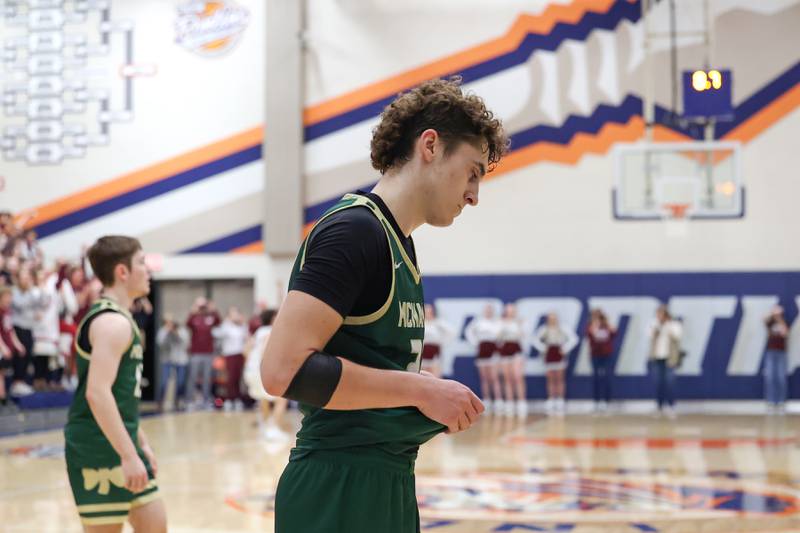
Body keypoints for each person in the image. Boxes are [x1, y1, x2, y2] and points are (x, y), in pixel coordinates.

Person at [261, 77, 507, 533]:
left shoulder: (399, 244)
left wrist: (421, 389)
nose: (474, 194)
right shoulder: (355, 232)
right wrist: (420, 391)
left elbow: (367, 366)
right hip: (336, 490)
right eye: (472, 171)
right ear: (430, 145)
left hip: (386, 481)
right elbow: (282, 371)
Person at [63, 235, 167, 531]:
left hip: (123, 441)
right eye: (141, 263)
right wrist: (129, 454)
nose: (148, 270)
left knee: (156, 525)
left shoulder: (121, 318)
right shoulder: (112, 323)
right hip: (97, 447)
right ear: (122, 272)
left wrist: (141, 443)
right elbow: (97, 394)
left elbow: (122, 397)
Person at [244, 308, 288, 440]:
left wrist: (250, 363)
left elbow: (245, 349)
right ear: (273, 318)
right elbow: (265, 351)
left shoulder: (258, 332)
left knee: (263, 399)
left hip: (250, 370)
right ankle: (273, 429)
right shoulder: (271, 331)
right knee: (282, 399)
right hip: (261, 369)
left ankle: (266, 428)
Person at [531, 312, 578, 415]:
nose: (552, 320)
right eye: (550, 318)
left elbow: (574, 339)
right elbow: (535, 340)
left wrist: (565, 349)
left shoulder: (563, 328)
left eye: (554, 318)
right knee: (550, 378)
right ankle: (551, 399)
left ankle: (560, 400)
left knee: (559, 378)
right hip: (549, 354)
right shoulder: (544, 329)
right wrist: (543, 348)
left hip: (558, 352)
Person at [464, 303, 503, 412]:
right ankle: (487, 400)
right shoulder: (478, 321)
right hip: (482, 350)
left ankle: (498, 400)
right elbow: (469, 332)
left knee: (494, 377)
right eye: (487, 310)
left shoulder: (497, 322)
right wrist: (476, 342)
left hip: (493, 350)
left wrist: (498, 343)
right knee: (484, 378)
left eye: (490, 310)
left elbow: (501, 335)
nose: (488, 312)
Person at [185, 297, 221, 408]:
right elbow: (187, 323)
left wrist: (213, 309)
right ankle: (190, 400)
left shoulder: (210, 317)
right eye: (201, 306)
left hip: (208, 353)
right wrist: (193, 309)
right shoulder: (194, 317)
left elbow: (218, 321)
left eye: (204, 306)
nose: (202, 308)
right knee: (193, 377)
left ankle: (206, 400)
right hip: (195, 353)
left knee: (207, 378)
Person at [648, 304, 682, 419]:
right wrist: (658, 327)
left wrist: (667, 325)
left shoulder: (673, 324)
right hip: (657, 358)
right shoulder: (654, 324)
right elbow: (649, 335)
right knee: (658, 383)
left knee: (670, 383)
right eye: (658, 314)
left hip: (669, 359)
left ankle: (671, 406)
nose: (659, 316)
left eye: (661, 314)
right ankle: (659, 406)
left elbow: (677, 335)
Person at [213, 306, 249, 410]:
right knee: (231, 378)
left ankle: (237, 399)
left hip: (239, 354)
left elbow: (246, 337)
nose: (235, 316)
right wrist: (226, 322)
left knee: (238, 377)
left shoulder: (242, 326)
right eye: (233, 314)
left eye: (236, 313)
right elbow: (217, 333)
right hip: (230, 354)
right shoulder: (226, 326)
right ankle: (229, 399)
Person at [497, 303, 528, 417]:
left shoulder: (519, 322)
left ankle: (521, 402)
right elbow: (497, 336)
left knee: (517, 376)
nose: (510, 312)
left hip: (516, 349)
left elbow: (522, 335)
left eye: (512, 310)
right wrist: (503, 326)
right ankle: (509, 403)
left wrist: (518, 325)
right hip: (505, 349)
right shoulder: (500, 322)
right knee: (507, 377)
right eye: (508, 310)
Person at [156, 313, 190, 412]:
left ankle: (178, 401)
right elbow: (161, 344)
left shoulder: (182, 330)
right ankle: (160, 402)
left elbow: (185, 344)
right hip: (167, 360)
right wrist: (167, 333)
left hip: (181, 360)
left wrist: (176, 333)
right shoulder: (163, 331)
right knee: (163, 383)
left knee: (180, 383)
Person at [586, 308, 617, 413]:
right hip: (595, 355)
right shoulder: (590, 325)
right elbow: (590, 336)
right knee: (596, 378)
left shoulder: (606, 325)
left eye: (598, 315)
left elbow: (614, 333)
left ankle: (606, 401)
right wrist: (595, 326)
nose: (596, 317)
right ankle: (596, 401)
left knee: (606, 377)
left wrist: (607, 324)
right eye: (594, 315)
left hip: (606, 355)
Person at [763, 305, 789, 414]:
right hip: (770, 352)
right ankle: (771, 402)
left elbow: (785, 333)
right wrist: (772, 313)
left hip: (781, 353)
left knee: (781, 377)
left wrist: (779, 319)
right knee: (770, 377)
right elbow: (763, 319)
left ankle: (781, 403)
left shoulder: (784, 322)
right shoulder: (770, 322)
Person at [420, 303, 455, 379]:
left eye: (429, 311)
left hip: (435, 352)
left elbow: (451, 332)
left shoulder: (438, 323)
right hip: (423, 352)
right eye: (425, 311)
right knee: (423, 377)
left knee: (436, 376)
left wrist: (442, 343)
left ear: (433, 312)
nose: (427, 313)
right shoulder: (421, 324)